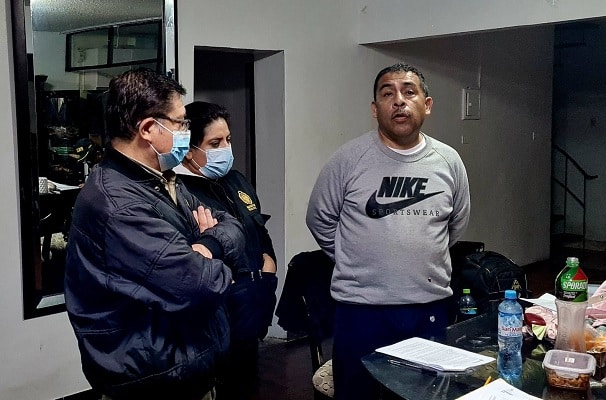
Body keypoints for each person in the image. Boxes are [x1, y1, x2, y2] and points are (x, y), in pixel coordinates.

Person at [64, 69, 245, 400]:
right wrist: (216, 259)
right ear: (148, 128)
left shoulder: (160, 180)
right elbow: (202, 284)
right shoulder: (117, 204)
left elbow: (232, 225)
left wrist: (206, 246)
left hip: (188, 370)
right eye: (181, 123)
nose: (186, 131)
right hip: (152, 382)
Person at [306, 62, 471, 400]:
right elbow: (319, 219)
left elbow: (455, 225)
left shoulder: (449, 161)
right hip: (361, 311)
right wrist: (355, 258)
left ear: (427, 104)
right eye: (387, 94)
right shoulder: (348, 159)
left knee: (425, 394)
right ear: (374, 108)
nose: (399, 101)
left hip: (428, 308)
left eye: (409, 92)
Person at [174, 101, 278, 399]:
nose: (226, 149)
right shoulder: (181, 191)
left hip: (254, 301)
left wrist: (268, 264)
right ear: (190, 150)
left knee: (246, 384)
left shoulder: (235, 180)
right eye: (215, 143)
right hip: (218, 310)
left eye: (228, 140)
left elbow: (257, 227)